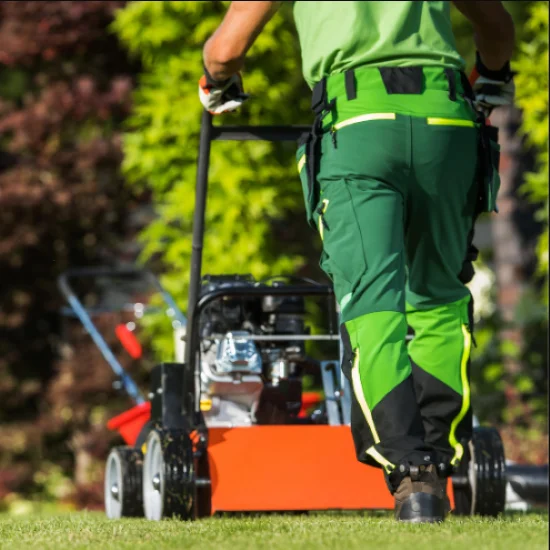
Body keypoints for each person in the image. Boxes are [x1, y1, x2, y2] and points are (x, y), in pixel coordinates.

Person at [199, 1, 515, 523]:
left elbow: (227, 49)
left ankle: (411, 474)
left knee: (373, 301)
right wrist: (491, 74)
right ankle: (435, 466)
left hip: (360, 123)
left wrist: (216, 81)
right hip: (447, 121)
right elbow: (497, 26)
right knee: (438, 297)